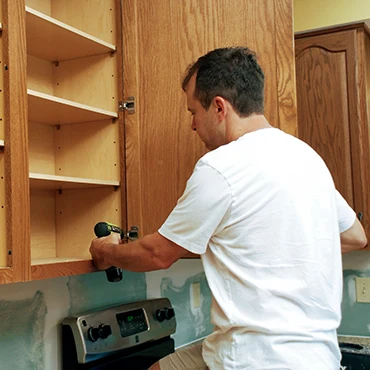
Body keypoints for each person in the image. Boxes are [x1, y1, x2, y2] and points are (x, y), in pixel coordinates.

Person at [89, 47, 368, 370]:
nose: (193, 125)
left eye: (193, 111)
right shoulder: (307, 158)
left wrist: (106, 252)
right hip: (319, 358)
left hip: (253, 359)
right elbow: (354, 236)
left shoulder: (221, 167)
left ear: (219, 107)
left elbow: (158, 254)